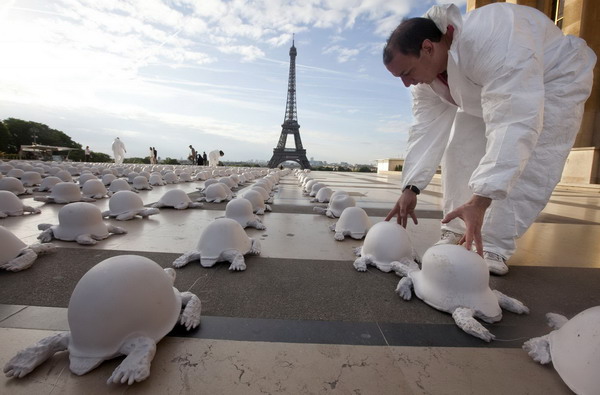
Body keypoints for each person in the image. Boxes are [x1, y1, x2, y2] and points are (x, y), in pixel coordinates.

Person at [383, 3, 596, 275]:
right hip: (483, 89)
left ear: (428, 48)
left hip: (553, 77)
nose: (406, 83)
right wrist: (410, 187)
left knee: (532, 158)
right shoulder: (423, 77)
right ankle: (456, 228)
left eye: (406, 73)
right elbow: (425, 129)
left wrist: (481, 199)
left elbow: (515, 121)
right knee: (459, 147)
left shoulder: (491, 39)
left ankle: (494, 243)